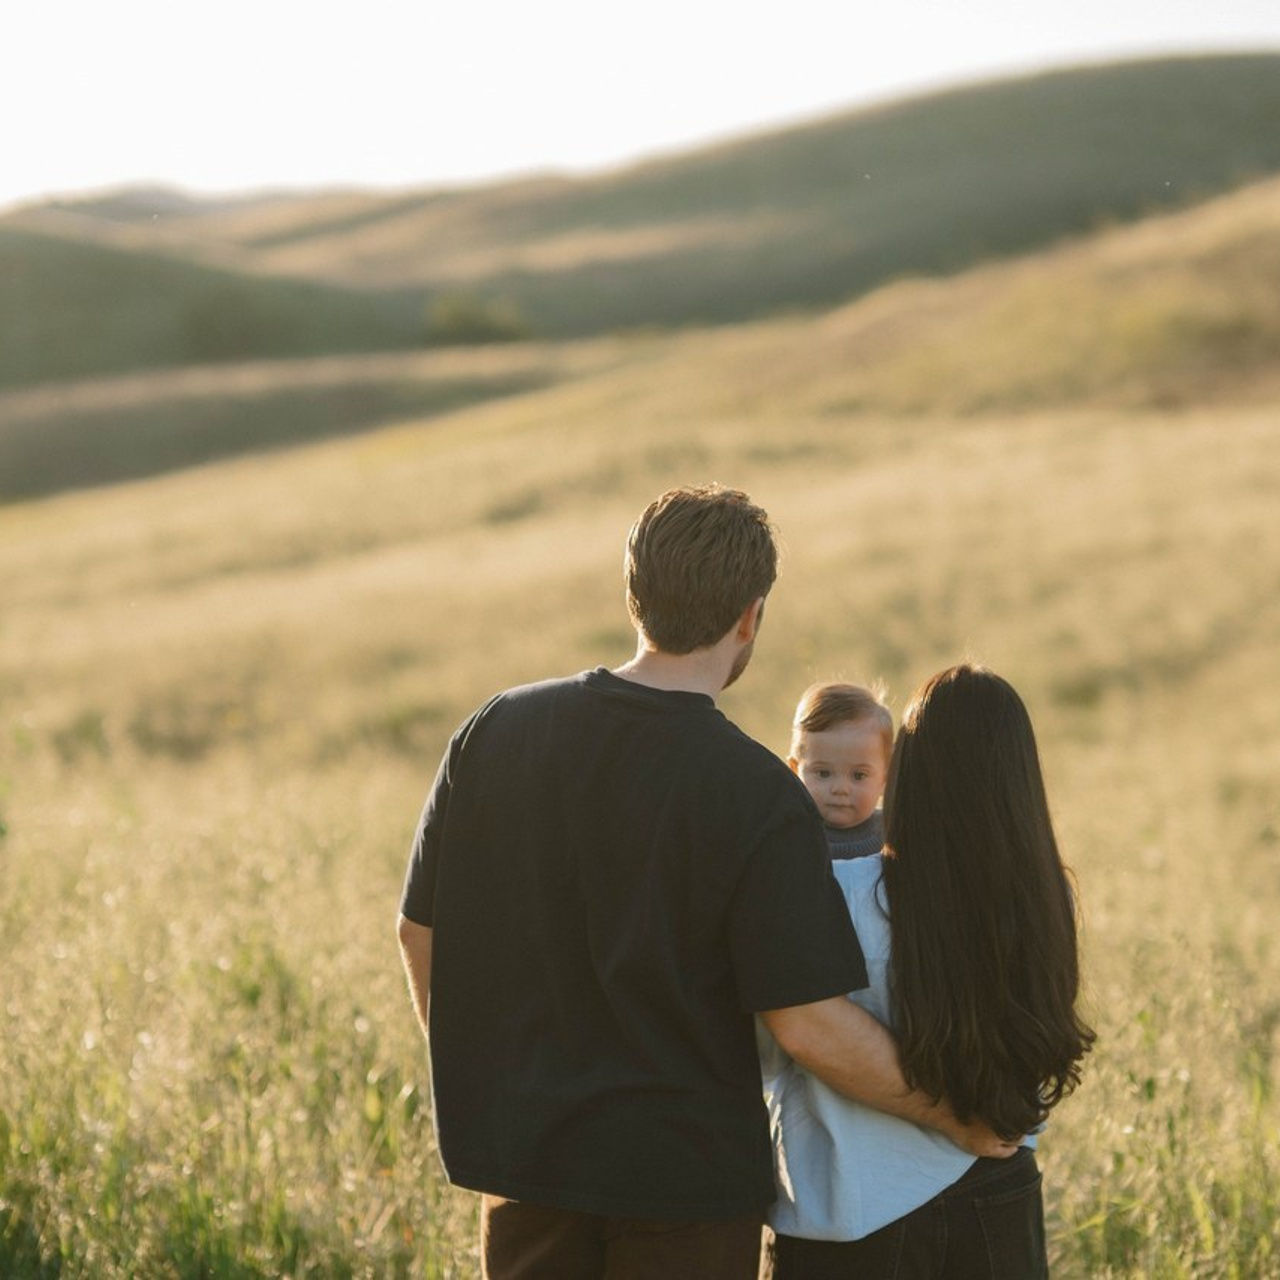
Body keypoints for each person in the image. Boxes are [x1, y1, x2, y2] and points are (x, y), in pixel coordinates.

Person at [396, 486, 1014, 1280]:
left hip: (526, 1173)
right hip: (686, 1190)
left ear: (634, 594)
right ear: (749, 617)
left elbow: (419, 932)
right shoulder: (759, 793)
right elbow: (808, 1025)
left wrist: (505, 1086)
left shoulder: (492, 732)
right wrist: (959, 1114)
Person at [762, 663, 1096, 1278]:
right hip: (999, 1187)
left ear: (907, 770)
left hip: (855, 1205)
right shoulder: (1044, 899)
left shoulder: (840, 892)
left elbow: (782, 1040)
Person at [787, 682, 893, 861]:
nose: (840, 789)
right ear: (794, 772)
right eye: (823, 773)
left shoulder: (897, 836)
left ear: (885, 779)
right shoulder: (787, 838)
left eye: (858, 775)